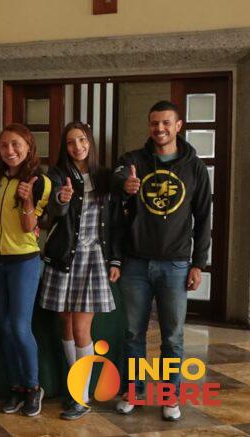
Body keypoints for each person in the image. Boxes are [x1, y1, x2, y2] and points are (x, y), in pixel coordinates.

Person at [113, 100, 211, 421]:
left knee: (172, 336)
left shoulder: (194, 166)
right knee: (132, 334)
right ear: (149, 125)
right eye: (155, 123)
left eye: (166, 123)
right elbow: (114, 175)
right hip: (136, 263)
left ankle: (170, 397)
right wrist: (124, 185)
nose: (160, 129)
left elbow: (203, 216)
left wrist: (199, 263)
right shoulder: (135, 161)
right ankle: (135, 391)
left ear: (178, 126)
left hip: (176, 264)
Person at [38, 122, 122, 420]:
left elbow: (115, 222)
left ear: (91, 142)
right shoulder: (58, 175)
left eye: (83, 140)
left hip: (93, 258)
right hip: (64, 256)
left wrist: (116, 260)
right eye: (71, 142)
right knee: (64, 322)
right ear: (65, 146)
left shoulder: (105, 176)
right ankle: (75, 385)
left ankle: (81, 395)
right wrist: (61, 200)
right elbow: (52, 214)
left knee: (81, 328)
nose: (78, 147)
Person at [0, 123, 51, 417]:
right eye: (4, 146)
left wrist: (27, 199)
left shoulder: (40, 181)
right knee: (5, 327)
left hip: (23, 261)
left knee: (20, 327)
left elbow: (29, 227)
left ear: (28, 147)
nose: (9, 151)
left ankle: (33, 387)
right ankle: (16, 387)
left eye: (16, 145)